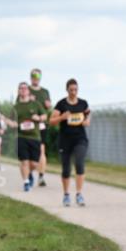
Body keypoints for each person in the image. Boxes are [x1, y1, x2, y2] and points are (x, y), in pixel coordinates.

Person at [49, 78, 91, 207]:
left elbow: (88, 114)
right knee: (66, 169)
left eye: (76, 90)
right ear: (67, 90)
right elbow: (51, 121)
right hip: (65, 140)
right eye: (71, 90)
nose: (73, 92)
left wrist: (86, 121)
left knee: (79, 163)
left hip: (80, 139)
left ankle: (79, 194)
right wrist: (62, 117)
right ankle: (66, 195)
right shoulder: (61, 104)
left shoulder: (83, 103)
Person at [13, 82, 47, 192]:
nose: (23, 90)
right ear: (18, 91)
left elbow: (45, 116)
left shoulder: (36, 104)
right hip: (21, 137)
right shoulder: (16, 107)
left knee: (34, 163)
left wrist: (39, 118)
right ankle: (26, 182)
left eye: (25, 88)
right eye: (21, 88)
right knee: (24, 161)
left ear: (28, 91)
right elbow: (11, 121)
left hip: (35, 137)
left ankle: (29, 173)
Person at [29, 69, 52, 187]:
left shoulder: (45, 92)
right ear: (30, 77)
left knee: (42, 150)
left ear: (40, 77)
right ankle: (29, 173)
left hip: (41, 125)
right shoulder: (26, 90)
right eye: (33, 75)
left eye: (37, 75)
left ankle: (41, 177)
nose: (35, 77)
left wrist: (48, 105)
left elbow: (49, 106)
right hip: (28, 126)